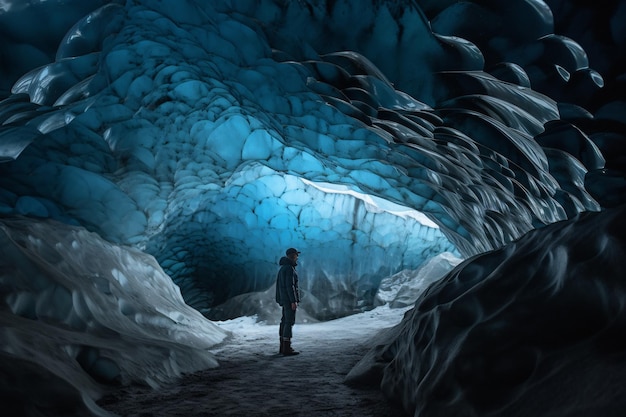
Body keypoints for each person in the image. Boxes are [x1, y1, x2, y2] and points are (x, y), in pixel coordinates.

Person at [275, 247, 301, 356]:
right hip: (288, 300)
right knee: (289, 321)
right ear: (292, 256)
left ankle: (282, 346)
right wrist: (293, 301)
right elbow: (290, 286)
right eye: (296, 255)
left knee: (284, 321)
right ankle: (287, 347)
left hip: (284, 299)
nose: (297, 257)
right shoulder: (289, 269)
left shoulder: (283, 268)